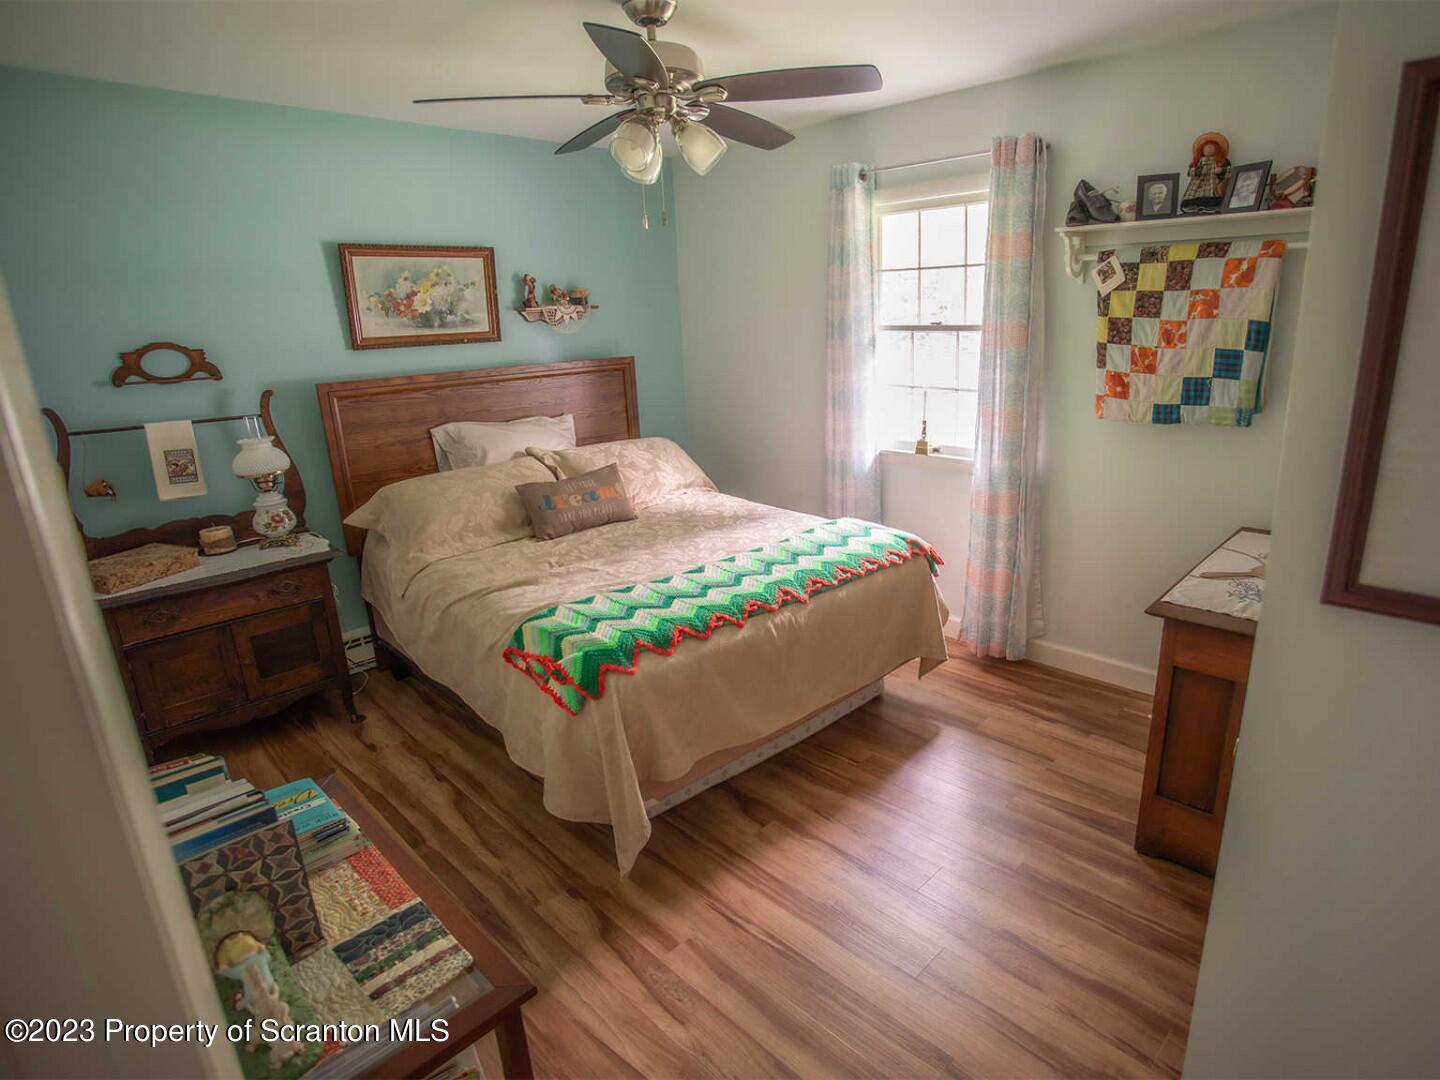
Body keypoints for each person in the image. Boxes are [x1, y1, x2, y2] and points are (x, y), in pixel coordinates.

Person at [1182, 131, 1230, 214]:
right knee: (1194, 195)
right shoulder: (1198, 162)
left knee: (1214, 194)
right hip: (1198, 184)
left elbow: (1229, 170)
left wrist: (1221, 170)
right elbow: (1190, 172)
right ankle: (1192, 206)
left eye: (1211, 147)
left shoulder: (1221, 161)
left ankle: (1211, 206)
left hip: (1213, 182)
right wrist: (1199, 171)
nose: (1208, 149)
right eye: (1206, 147)